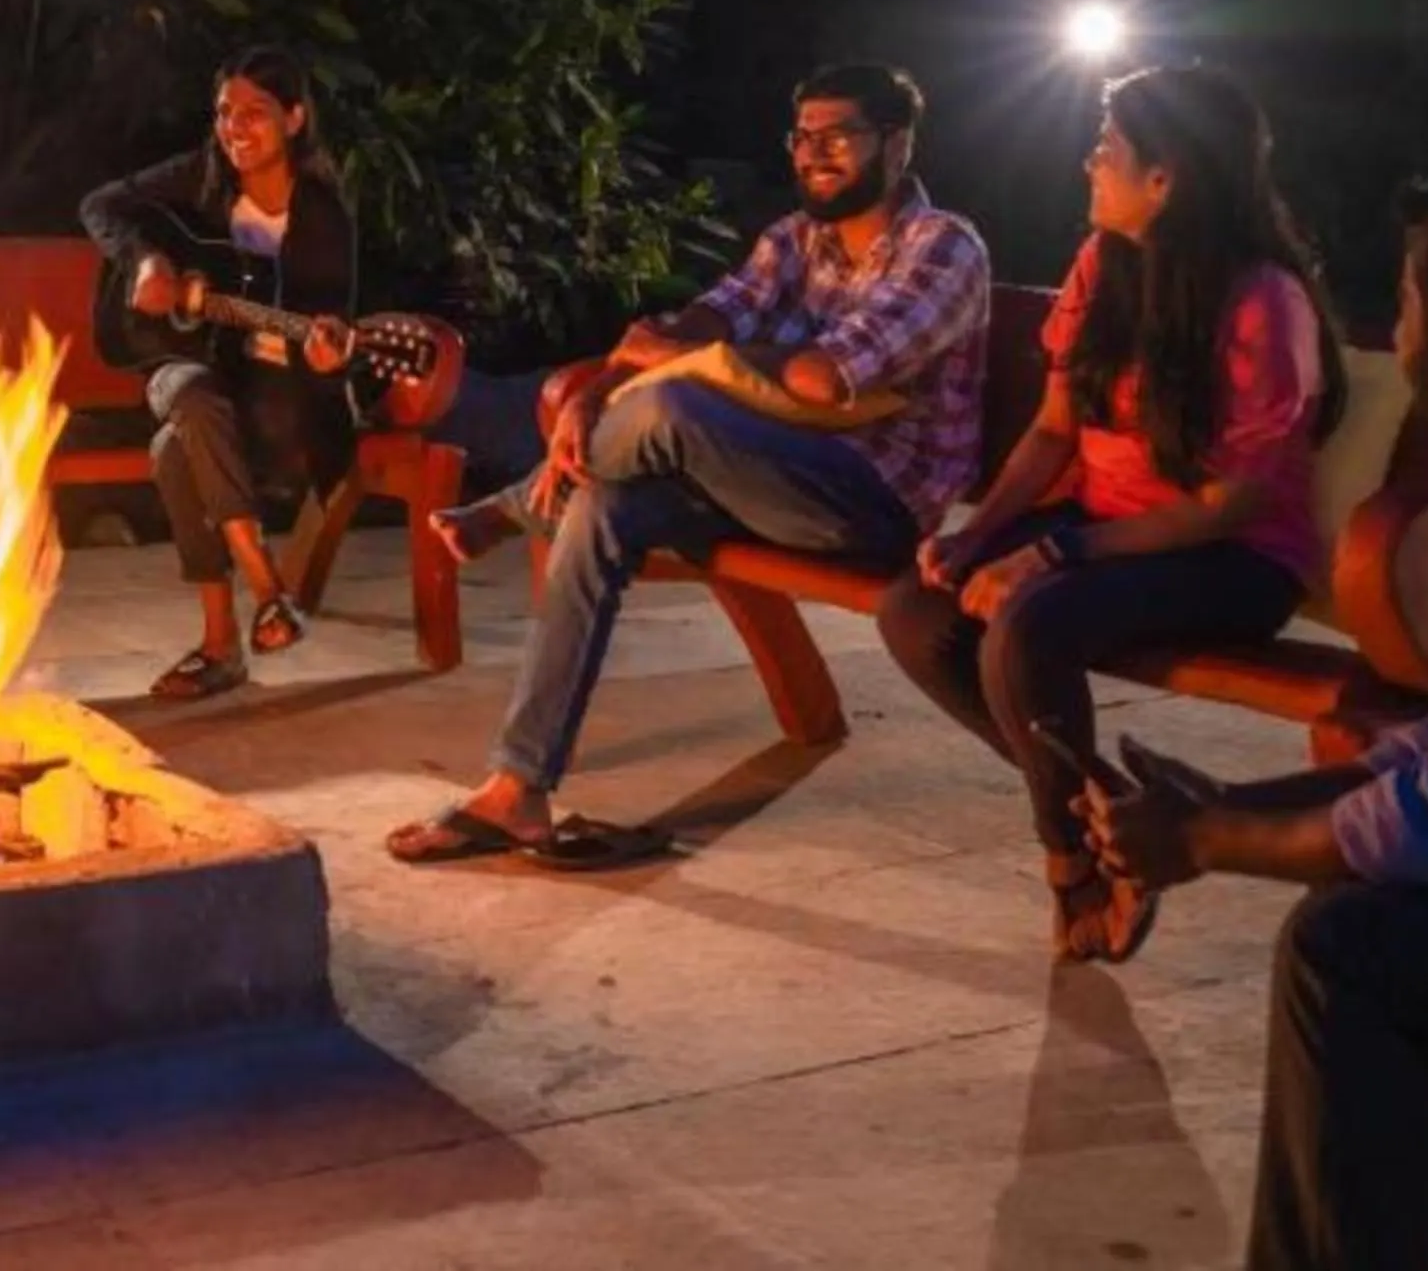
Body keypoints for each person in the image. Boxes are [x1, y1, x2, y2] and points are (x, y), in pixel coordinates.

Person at [1083, 165, 1428, 1271]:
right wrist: (1235, 802)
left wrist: (1205, 841)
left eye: (1408, 307)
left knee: (1355, 944)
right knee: (1377, 860)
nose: (1396, 332)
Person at [389, 61, 991, 867]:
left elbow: (824, 377)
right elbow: (686, 326)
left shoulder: (943, 246)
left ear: (897, 143)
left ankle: (511, 506)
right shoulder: (794, 241)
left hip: (870, 503)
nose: (814, 154)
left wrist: (692, 361)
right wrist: (593, 393)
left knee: (676, 408)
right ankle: (518, 792)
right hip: (763, 477)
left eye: (838, 136)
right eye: (803, 136)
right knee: (603, 508)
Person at [875, 66, 1347, 963]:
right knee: (916, 608)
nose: (1090, 161)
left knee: (1026, 626)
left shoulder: (1262, 300)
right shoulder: (1102, 265)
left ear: (1165, 178)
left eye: (1108, 147)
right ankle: (1115, 815)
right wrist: (980, 533)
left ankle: (1075, 863)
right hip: (1107, 526)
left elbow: (1229, 504)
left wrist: (1055, 553)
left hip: (1234, 556)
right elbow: (1053, 434)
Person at [81, 47, 359, 700]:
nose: (234, 127)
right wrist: (148, 259)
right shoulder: (203, 177)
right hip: (179, 365)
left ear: (294, 119)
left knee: (175, 449)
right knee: (190, 394)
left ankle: (220, 647)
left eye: (254, 114)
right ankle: (268, 591)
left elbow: (329, 331)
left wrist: (323, 357)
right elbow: (100, 205)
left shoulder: (322, 217)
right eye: (224, 113)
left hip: (275, 403)